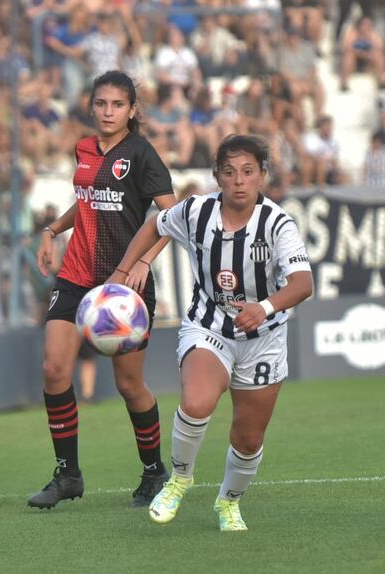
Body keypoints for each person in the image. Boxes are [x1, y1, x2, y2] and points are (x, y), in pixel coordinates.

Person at [113, 134, 314, 531]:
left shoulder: (277, 223)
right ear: (217, 177)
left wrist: (265, 307)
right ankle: (179, 480)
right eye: (229, 172)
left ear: (262, 177)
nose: (239, 180)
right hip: (209, 327)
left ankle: (228, 502)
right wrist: (122, 272)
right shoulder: (196, 212)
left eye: (248, 172)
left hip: (264, 340)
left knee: (249, 437)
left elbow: (303, 283)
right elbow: (156, 224)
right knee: (197, 401)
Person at [28, 70, 178, 510]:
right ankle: (67, 475)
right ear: (91, 107)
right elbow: (89, 199)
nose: (108, 112)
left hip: (122, 283)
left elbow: (174, 216)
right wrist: (53, 229)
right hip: (76, 275)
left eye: (117, 105)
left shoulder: (143, 154)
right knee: (54, 370)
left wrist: (143, 262)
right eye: (101, 104)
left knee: (129, 386)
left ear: (132, 110)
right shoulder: (85, 149)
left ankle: (154, 471)